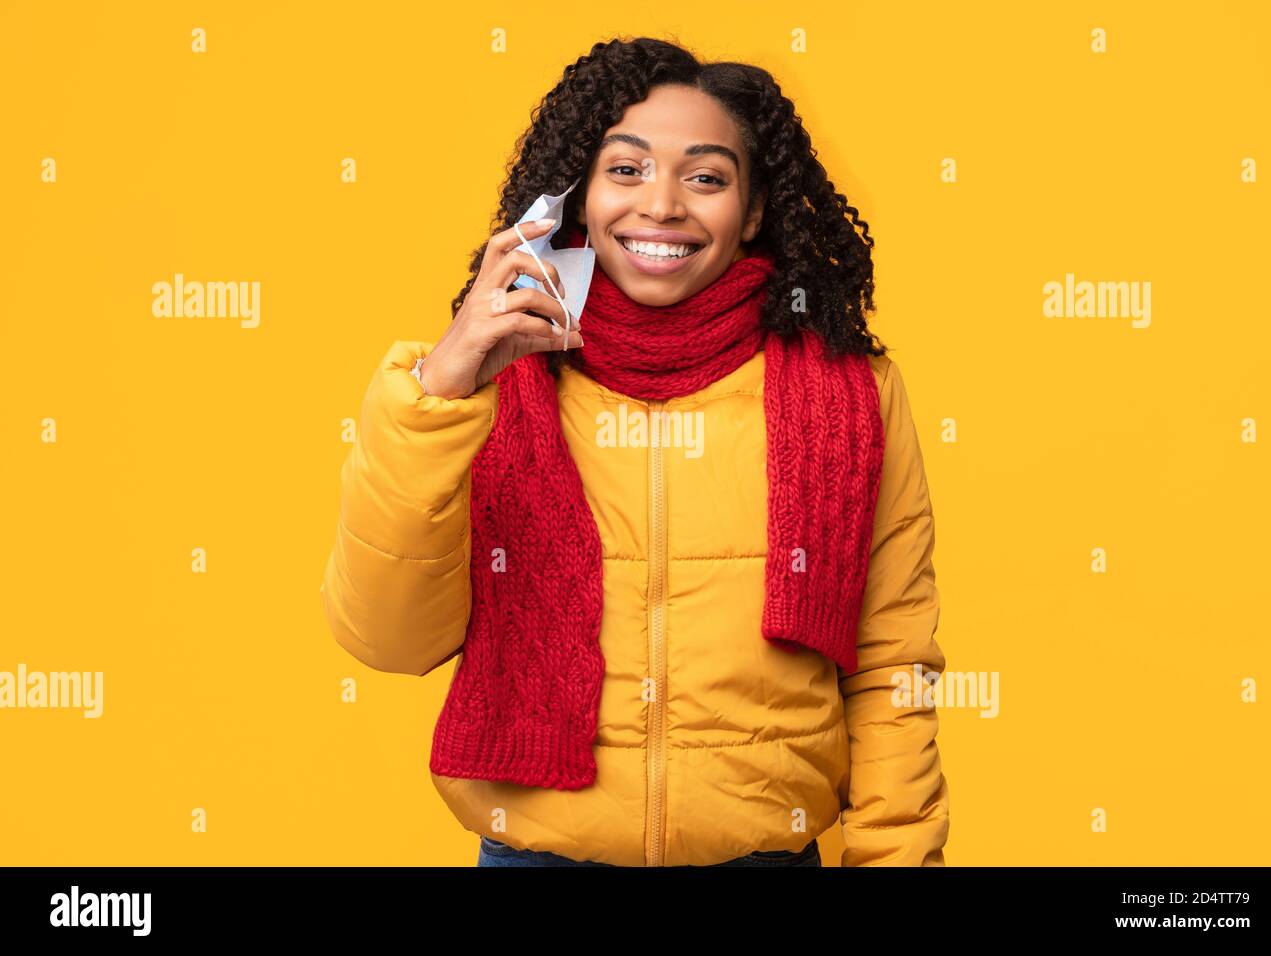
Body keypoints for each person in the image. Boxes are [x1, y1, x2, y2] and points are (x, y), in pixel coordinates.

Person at [320, 36, 949, 868]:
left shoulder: (851, 389)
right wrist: (438, 393)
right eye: (625, 170)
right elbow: (387, 640)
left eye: (706, 176)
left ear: (753, 210)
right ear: (577, 197)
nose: (662, 205)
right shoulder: (485, 381)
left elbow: (893, 664)